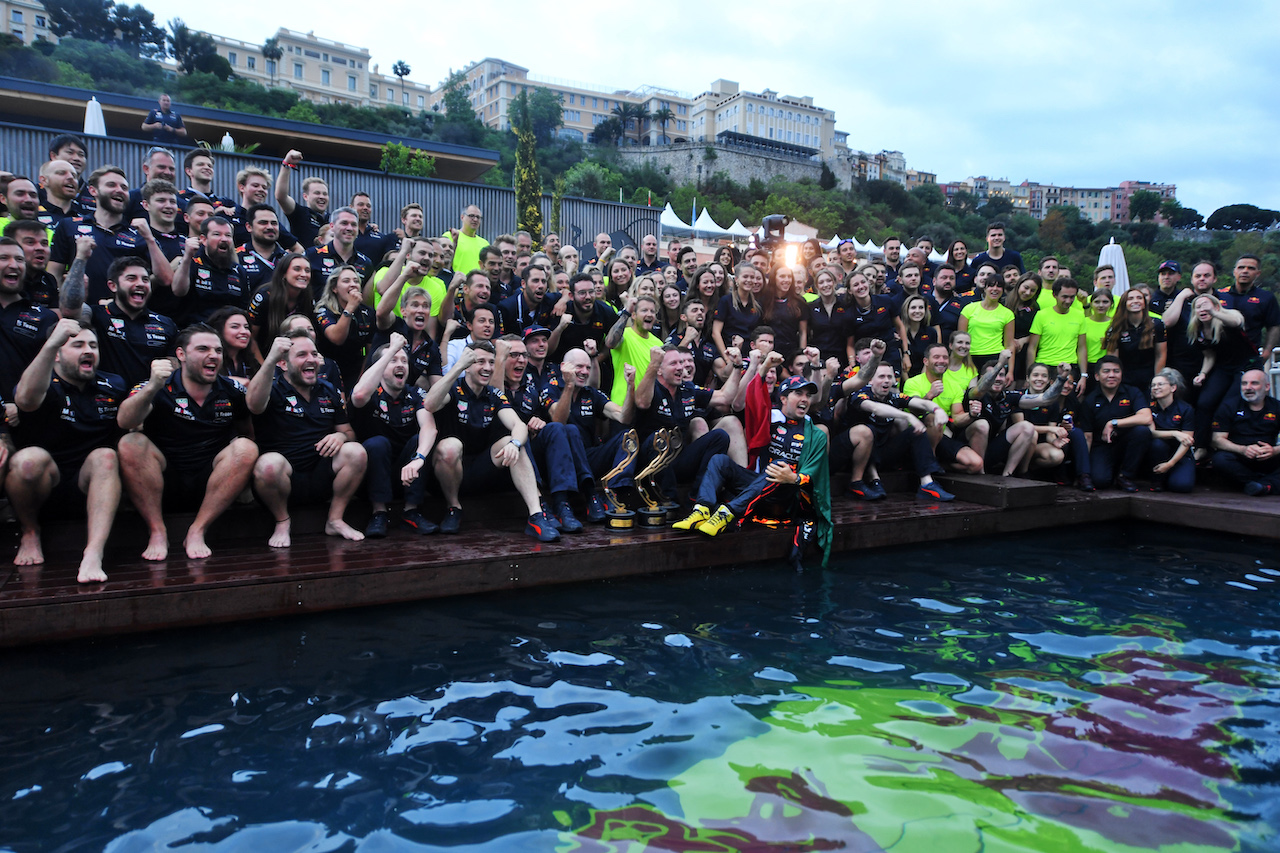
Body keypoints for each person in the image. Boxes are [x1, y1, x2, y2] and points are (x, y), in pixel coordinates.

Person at [116, 325, 259, 560]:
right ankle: (157, 531)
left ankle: (197, 529)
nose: (213, 355)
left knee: (247, 448)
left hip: (213, 481)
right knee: (130, 442)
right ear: (181, 354)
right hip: (163, 478)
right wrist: (152, 386)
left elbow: (248, 432)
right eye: (203, 349)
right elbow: (124, 421)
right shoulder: (157, 386)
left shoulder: (232, 390)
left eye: (218, 350)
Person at [676, 365, 832, 564]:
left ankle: (728, 513)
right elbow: (751, 397)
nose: (805, 399)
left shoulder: (816, 434)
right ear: (783, 398)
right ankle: (702, 509)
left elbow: (817, 474)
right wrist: (764, 364)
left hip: (786, 498)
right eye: (798, 393)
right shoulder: (769, 420)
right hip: (757, 488)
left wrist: (793, 478)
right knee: (720, 461)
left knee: (779, 466)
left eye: (808, 396)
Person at [8, 318, 124, 582]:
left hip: (90, 481)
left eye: (93, 345)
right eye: (78, 344)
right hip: (43, 481)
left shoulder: (113, 384)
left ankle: (93, 554)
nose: (89, 351)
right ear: (57, 354)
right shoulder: (43, 381)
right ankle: (29, 531)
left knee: (106, 455)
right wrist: (51, 343)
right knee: (28, 460)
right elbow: (25, 400)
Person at [423, 341, 558, 539]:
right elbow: (430, 403)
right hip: (446, 473)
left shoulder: (494, 394)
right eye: (480, 362)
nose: (487, 368)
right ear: (467, 365)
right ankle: (454, 508)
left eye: (491, 362)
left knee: (512, 442)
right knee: (451, 446)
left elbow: (518, 425)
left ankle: (536, 515)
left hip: (480, 470)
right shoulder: (453, 389)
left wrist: (514, 443)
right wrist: (458, 367)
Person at [247, 330, 368, 547]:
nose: (311, 359)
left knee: (356, 452)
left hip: (320, 475)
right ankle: (282, 521)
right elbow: (254, 404)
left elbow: (349, 432)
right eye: (301, 354)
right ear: (283, 364)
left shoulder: (327, 389)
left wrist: (340, 436)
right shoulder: (272, 387)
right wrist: (271, 359)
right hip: (281, 479)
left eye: (314, 353)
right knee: (267, 465)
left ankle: (335, 519)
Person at [350, 333, 438, 537]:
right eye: (393, 361)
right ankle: (379, 513)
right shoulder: (371, 392)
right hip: (369, 478)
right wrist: (391, 349)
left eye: (404, 361)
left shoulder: (415, 393)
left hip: (407, 474)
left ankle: (411, 512)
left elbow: (429, 428)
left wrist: (419, 458)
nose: (401, 365)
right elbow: (359, 396)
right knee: (378, 443)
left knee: (420, 441)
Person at [634, 344, 743, 501]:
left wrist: (737, 366)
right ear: (659, 369)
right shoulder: (650, 387)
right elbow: (642, 402)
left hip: (677, 460)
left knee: (720, 436)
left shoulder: (687, 389)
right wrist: (653, 364)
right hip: (648, 463)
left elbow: (725, 397)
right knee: (658, 438)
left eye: (681, 362)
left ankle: (698, 496)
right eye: (674, 363)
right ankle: (669, 500)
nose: (681, 367)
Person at [48, 166, 171, 303]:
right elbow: (54, 274)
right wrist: (60, 307)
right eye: (111, 185)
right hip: (81, 314)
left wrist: (149, 238)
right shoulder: (69, 225)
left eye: (124, 187)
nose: (119, 190)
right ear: (93, 190)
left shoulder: (139, 234)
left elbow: (165, 279)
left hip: (124, 316)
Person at [840, 361, 955, 501]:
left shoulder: (893, 396)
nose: (886, 380)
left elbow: (920, 403)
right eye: (881, 376)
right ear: (870, 380)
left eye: (889, 377)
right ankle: (873, 480)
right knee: (869, 431)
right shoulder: (860, 395)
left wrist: (938, 410)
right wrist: (907, 416)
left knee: (916, 431)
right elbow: (876, 408)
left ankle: (927, 484)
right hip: (857, 457)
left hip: (884, 453)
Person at [60, 255, 177, 388]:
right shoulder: (96, 315)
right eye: (131, 278)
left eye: (145, 279)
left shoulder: (166, 324)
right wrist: (81, 256)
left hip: (148, 400)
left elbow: (173, 369)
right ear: (113, 286)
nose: (140, 283)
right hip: (103, 399)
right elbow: (69, 309)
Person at [1186, 294, 1252, 452]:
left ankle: (1227, 443)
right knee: (1204, 402)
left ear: (1215, 306)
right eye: (1198, 306)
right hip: (1223, 367)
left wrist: (1215, 313)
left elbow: (1237, 322)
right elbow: (1209, 355)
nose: (1202, 309)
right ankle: (1201, 446)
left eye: (1206, 305)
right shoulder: (1199, 331)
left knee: (1228, 404)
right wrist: (1202, 374)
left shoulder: (1228, 318)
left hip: (1245, 365)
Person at [1076, 356, 1153, 491]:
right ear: (1097, 376)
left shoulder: (1132, 392)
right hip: (1102, 446)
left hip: (1127, 443)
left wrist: (1114, 423)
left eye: (1116, 371)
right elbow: (1087, 437)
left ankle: (1125, 476)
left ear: (1121, 374)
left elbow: (1146, 417)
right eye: (1106, 371)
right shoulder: (1090, 400)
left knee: (1142, 431)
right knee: (1100, 481)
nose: (1111, 375)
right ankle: (1110, 473)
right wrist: (1084, 473)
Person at [0, 236, 58, 397]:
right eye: (3, 258)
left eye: (19, 259)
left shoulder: (45, 318)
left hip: (25, 412)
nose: (14, 265)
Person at [1210, 369, 1280, 496]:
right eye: (1244, 383)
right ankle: (1267, 484)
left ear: (1267, 387)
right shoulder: (1228, 406)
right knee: (1220, 459)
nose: (1248, 388)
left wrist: (1274, 450)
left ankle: (1259, 485)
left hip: (1269, 457)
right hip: (1239, 458)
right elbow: (1217, 440)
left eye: (1254, 383)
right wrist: (1243, 449)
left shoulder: (1277, 406)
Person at [172, 215, 248, 326]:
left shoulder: (238, 271)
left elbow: (243, 308)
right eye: (217, 234)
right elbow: (178, 291)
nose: (224, 239)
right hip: (196, 331)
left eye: (228, 235)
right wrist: (187, 257)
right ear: (204, 239)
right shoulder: (192, 263)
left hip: (227, 333)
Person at [314, 264, 376, 390]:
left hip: (355, 369)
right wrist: (350, 308)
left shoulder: (368, 313)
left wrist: (362, 379)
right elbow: (337, 338)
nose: (353, 284)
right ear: (334, 288)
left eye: (356, 281)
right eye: (346, 281)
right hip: (326, 368)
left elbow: (370, 351)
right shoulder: (323, 310)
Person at [1216, 254, 1279, 367]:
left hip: (1250, 358)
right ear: (1234, 271)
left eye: (1251, 268)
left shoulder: (1266, 297)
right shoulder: (1219, 295)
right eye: (1241, 267)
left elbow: (1274, 326)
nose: (1245, 271)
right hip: (1219, 358)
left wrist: (1267, 351)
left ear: (1258, 273)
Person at [1025, 278, 1087, 393]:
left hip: (1070, 367)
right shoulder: (1042, 315)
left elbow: (1082, 347)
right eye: (1064, 297)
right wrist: (1029, 373)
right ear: (1055, 295)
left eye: (1072, 297)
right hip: (1046, 366)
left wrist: (1084, 375)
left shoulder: (1079, 315)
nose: (1068, 301)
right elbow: (1032, 347)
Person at [1104, 287, 1166, 392]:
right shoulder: (1116, 328)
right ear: (1124, 303)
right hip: (1125, 380)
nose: (1135, 301)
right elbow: (1113, 360)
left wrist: (1157, 381)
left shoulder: (1157, 325)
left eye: (1139, 298)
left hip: (1149, 379)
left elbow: (1161, 355)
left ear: (1144, 302)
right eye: (1130, 298)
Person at [1145, 368, 1195, 493]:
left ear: (1173, 388)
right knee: (1157, 444)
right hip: (1158, 450)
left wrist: (1170, 464)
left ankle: (1171, 473)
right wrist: (1175, 433)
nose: (1155, 387)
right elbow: (1151, 432)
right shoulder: (1149, 407)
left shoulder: (1186, 409)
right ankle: (1157, 480)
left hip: (1180, 453)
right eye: (1153, 385)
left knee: (1182, 486)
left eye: (1160, 384)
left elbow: (1187, 441)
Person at [606, 293, 661, 406]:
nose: (649, 314)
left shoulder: (658, 343)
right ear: (634, 315)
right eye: (644, 310)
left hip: (647, 406)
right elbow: (610, 342)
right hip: (621, 405)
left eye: (652, 311)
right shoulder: (623, 335)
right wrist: (626, 312)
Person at [305, 207, 371, 298]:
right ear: (332, 226)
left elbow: (366, 300)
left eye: (354, 224)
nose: (349, 228)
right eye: (344, 223)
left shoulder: (365, 262)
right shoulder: (312, 255)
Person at [845, 266, 903, 368]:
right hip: (866, 359)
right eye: (855, 285)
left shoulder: (885, 300)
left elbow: (900, 327)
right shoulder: (850, 313)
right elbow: (850, 344)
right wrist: (852, 363)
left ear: (868, 283)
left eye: (863, 282)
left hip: (890, 354)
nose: (861, 286)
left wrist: (906, 353)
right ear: (850, 291)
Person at [274, 149, 328, 249]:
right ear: (305, 196)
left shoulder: (332, 218)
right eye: (317, 193)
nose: (322, 196)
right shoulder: (300, 213)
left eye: (325, 194)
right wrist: (286, 164)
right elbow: (281, 196)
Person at [959, 271, 1014, 365]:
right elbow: (960, 338)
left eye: (999, 286)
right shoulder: (969, 309)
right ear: (985, 288)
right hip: (970, 357)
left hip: (995, 358)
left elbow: (1009, 345)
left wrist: (1010, 371)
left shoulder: (1007, 314)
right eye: (991, 286)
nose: (995, 289)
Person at [4, 218, 59, 309]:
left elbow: (56, 316)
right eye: (30, 242)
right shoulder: (4, 278)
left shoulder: (49, 280)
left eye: (44, 243)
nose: (40, 248)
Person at [236, 204, 290, 292]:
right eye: (263, 223)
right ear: (249, 227)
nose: (270, 227)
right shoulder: (236, 257)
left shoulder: (288, 259)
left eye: (274, 223)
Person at [763, 265, 806, 358]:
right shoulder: (765, 300)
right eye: (782, 276)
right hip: (770, 351)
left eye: (789, 276)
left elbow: (803, 332)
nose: (787, 280)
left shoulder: (799, 301)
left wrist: (802, 355)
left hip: (791, 351)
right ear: (774, 278)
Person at [1004, 272, 1040, 384]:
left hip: (1024, 351)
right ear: (1019, 284)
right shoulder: (1003, 302)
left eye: (1033, 290)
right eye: (1026, 287)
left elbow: (1038, 332)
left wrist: (1023, 340)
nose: (1028, 292)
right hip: (1005, 350)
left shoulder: (1035, 308)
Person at [446, 205, 488, 276]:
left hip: (478, 284)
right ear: (462, 217)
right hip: (456, 283)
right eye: (471, 216)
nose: (475, 219)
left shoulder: (485, 244)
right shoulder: (450, 236)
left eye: (478, 217)